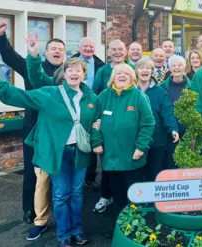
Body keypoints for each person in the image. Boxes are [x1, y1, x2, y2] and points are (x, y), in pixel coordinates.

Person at [12, 36, 97, 247]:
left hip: (80, 153)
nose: (74, 73)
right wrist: (33, 55)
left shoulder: (92, 99)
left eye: (78, 70)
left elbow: (99, 119)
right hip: (58, 153)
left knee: (76, 194)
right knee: (60, 195)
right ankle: (64, 235)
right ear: (64, 74)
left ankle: (77, 231)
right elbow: (21, 93)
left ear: (84, 75)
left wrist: (99, 126)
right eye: (70, 70)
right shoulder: (52, 94)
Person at [0, 20, 63, 234]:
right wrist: (1, 38)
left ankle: (55, 207)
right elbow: (9, 57)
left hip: (58, 130)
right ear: (46, 52)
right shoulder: (32, 66)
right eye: (53, 48)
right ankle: (30, 209)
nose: (57, 52)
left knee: (59, 170)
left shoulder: (70, 72)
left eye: (61, 49)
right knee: (32, 170)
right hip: (34, 127)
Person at [91, 64, 155, 236]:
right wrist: (96, 142)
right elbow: (94, 122)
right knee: (117, 195)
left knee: (133, 195)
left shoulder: (138, 96)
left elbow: (148, 123)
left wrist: (141, 147)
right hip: (110, 158)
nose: (122, 75)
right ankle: (120, 227)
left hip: (132, 157)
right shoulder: (104, 96)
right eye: (118, 73)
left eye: (126, 73)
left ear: (132, 78)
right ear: (112, 77)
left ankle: (135, 227)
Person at [91, 39, 131, 214]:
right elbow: (95, 94)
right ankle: (106, 195)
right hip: (108, 123)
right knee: (107, 164)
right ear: (108, 52)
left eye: (120, 49)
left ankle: (126, 200)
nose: (117, 52)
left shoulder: (132, 68)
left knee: (127, 165)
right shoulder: (103, 71)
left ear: (125, 51)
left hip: (127, 121)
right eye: (113, 49)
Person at [71, 37, 105, 192]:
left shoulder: (100, 65)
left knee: (90, 141)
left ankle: (89, 178)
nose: (88, 49)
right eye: (85, 46)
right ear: (80, 47)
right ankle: (75, 175)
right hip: (74, 106)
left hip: (93, 106)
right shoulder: (70, 63)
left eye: (91, 47)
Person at [135, 58, 179, 179]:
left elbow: (167, 112)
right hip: (135, 140)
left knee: (154, 173)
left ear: (152, 72)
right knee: (136, 174)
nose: (145, 71)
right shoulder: (131, 91)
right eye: (141, 68)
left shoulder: (160, 92)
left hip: (157, 139)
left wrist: (173, 129)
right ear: (136, 71)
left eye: (148, 68)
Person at [160, 55, 192, 169]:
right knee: (171, 163)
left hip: (188, 132)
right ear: (169, 68)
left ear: (184, 67)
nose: (177, 68)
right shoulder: (162, 87)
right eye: (173, 65)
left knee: (187, 164)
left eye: (180, 65)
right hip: (170, 133)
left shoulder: (192, 86)